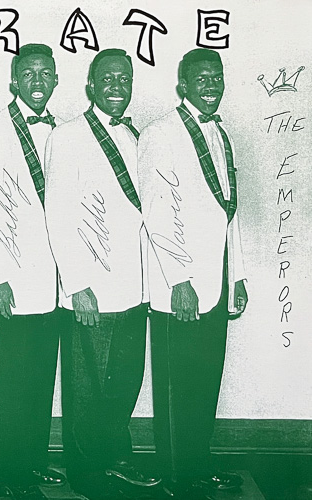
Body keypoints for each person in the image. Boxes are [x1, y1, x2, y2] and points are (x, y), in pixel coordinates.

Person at [44, 48, 158, 499]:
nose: (117, 86)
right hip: (91, 286)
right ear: (90, 85)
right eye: (107, 78)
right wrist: (77, 285)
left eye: (124, 79)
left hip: (135, 287)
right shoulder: (68, 135)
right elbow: (58, 213)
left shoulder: (134, 136)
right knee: (87, 386)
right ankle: (87, 473)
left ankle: (114, 458)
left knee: (125, 380)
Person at [138, 48, 248, 498]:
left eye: (216, 77)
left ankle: (197, 464)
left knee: (205, 381)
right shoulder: (160, 133)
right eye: (201, 78)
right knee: (177, 387)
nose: (210, 86)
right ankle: (177, 476)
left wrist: (237, 274)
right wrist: (178, 280)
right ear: (182, 84)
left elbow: (228, 211)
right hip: (179, 287)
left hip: (216, 281)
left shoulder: (220, 134)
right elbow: (157, 213)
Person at [0, 43, 66, 498]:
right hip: (10, 279)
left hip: (54, 283)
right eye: (29, 73)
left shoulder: (64, 132)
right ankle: (9, 474)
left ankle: (32, 463)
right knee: (11, 383)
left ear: (56, 79)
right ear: (14, 80)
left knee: (41, 380)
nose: (38, 81)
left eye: (46, 73)